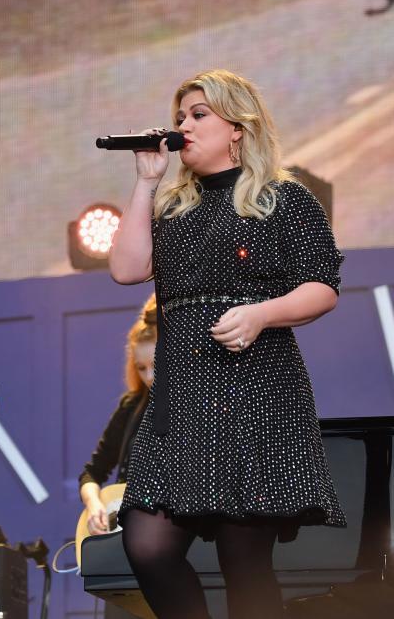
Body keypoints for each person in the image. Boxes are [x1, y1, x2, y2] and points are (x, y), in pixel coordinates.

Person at [107, 69, 345, 619]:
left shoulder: (282, 198)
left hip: (255, 393)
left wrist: (264, 313)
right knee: (147, 545)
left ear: (237, 127)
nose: (183, 126)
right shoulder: (173, 207)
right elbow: (125, 269)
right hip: (183, 400)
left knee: (245, 562)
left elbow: (321, 287)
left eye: (197, 115)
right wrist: (146, 181)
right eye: (179, 118)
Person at [79, 293, 156, 537]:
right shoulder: (130, 407)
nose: (149, 376)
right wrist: (94, 505)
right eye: (141, 368)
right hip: (129, 531)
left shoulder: (200, 406)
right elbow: (92, 472)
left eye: (157, 364)